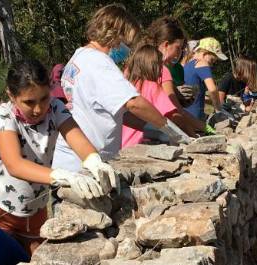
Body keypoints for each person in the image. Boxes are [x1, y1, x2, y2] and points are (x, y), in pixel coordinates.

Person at [0, 59, 117, 254]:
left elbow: (77, 139)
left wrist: (93, 160)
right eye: (29, 102)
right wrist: (63, 176)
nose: (38, 109)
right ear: (11, 95)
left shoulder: (55, 108)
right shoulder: (4, 116)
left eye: (43, 98)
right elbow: (14, 164)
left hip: (36, 212)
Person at [52, 4, 186, 173]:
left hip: (74, 156)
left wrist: (148, 128)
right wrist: (168, 128)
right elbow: (134, 103)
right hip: (85, 161)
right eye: (127, 42)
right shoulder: (100, 63)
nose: (127, 49)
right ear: (115, 34)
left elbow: (115, 109)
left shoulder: (79, 56)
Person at [121, 45, 192, 148]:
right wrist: (190, 134)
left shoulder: (126, 85)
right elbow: (174, 116)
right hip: (143, 145)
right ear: (155, 66)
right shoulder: (153, 87)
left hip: (123, 145)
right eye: (160, 65)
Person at [145, 16, 206, 135]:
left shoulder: (136, 64)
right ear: (166, 45)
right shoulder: (162, 70)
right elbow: (175, 112)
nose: (179, 54)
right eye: (178, 48)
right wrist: (196, 133)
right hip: (155, 134)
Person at [182, 37, 229, 121]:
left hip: (186, 115)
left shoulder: (189, 64)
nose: (211, 64)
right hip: (195, 116)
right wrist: (219, 110)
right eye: (212, 60)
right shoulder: (202, 63)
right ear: (205, 53)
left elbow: (198, 93)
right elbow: (212, 89)